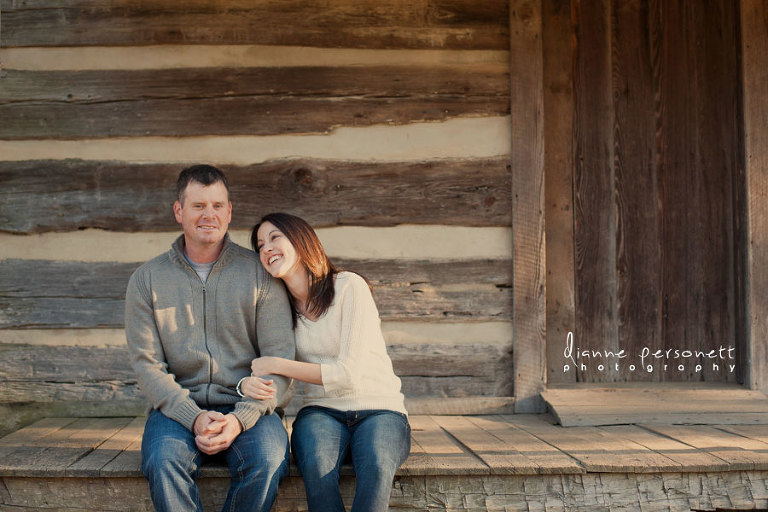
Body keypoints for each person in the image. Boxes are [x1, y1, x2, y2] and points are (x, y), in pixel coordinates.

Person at [124, 165, 295, 512]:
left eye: (218, 205)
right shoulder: (147, 280)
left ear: (229, 212)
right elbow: (147, 366)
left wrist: (240, 418)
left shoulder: (261, 275)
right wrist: (192, 416)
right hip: (176, 409)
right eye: (198, 206)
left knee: (269, 459)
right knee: (162, 462)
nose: (209, 215)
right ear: (179, 211)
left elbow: (279, 358)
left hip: (248, 410)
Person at [241, 212, 411, 512]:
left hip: (380, 408)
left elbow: (347, 375)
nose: (266, 248)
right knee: (317, 469)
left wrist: (275, 365)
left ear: (301, 240)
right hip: (319, 412)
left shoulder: (348, 286)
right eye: (260, 244)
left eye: (275, 237)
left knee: (376, 465)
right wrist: (249, 383)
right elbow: (265, 372)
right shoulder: (276, 308)